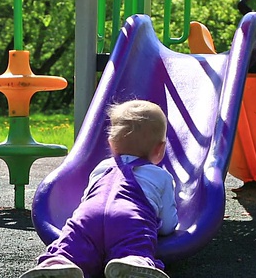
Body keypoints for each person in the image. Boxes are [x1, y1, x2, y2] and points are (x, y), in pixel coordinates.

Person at [20, 100, 178, 278]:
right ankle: (132, 262)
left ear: (111, 143)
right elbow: (168, 224)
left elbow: (86, 199)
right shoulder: (161, 176)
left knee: (72, 245)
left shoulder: (102, 166)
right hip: (129, 218)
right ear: (160, 149)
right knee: (135, 245)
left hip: (88, 215)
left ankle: (57, 263)